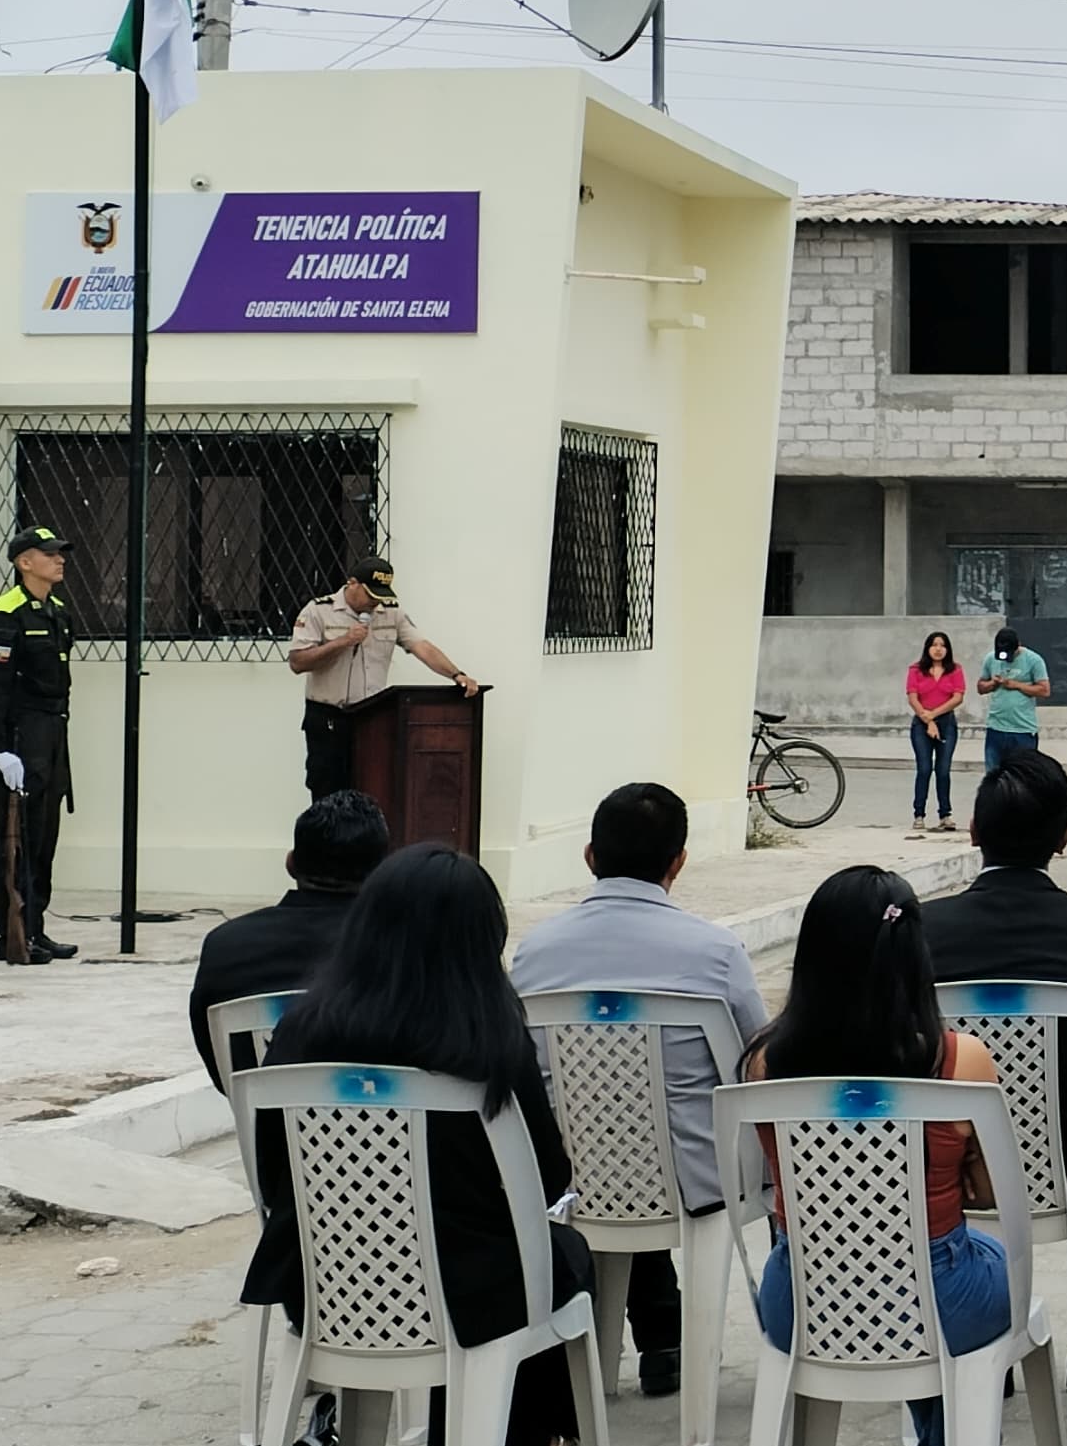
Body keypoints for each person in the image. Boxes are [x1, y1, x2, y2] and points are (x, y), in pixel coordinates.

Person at [248, 843, 594, 1446]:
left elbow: (273, 1174)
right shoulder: (489, 1041)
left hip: (326, 1286)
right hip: (466, 1297)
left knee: (501, 1261)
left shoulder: (300, 1033)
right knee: (558, 1256)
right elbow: (548, 1179)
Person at [741, 865, 1009, 1446]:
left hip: (802, 1297)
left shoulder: (764, 1062)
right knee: (969, 1263)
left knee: (908, 1273)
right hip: (937, 1296)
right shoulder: (960, 1059)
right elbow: (989, 1191)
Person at [511, 781, 771, 1395]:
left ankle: (649, 1337)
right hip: (697, 1180)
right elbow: (757, 1059)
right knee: (666, 1131)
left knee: (617, 1131)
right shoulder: (715, 952)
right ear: (679, 861)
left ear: (589, 856)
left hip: (571, 1173)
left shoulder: (534, 953)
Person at [922, 746, 1067, 1369]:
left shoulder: (922, 931)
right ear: (1063, 838)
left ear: (973, 832)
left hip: (958, 1167)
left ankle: (976, 1333)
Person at [187, 788, 391, 1091]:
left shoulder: (225, 945)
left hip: (264, 1117)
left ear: (290, 863)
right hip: (392, 1115)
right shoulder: (409, 947)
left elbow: (220, 1067)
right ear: (384, 872)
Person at [0, 526, 80, 962]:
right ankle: (11, 930)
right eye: (49, 554)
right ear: (24, 562)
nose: (60, 560)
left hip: (52, 731)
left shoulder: (57, 611)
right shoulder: (6, 613)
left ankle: (35, 925)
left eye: (60, 554)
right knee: (16, 838)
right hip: (20, 734)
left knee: (44, 837)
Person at [286, 557, 479, 799]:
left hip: (372, 717)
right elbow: (298, 662)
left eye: (380, 595)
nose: (375, 601)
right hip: (329, 719)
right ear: (352, 583)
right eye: (370, 594)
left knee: (373, 789)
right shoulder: (319, 611)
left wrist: (456, 674)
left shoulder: (391, 613)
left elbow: (422, 647)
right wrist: (343, 642)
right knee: (328, 793)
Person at [902, 630, 966, 829]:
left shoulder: (955, 669)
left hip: (946, 723)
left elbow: (957, 698)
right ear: (927, 648)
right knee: (924, 768)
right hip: (921, 724)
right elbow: (912, 697)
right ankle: (919, 814)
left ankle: (945, 815)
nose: (938, 649)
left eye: (942, 645)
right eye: (934, 645)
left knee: (943, 770)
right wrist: (928, 720)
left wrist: (934, 715)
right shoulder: (915, 669)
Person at [976, 622, 1050, 774]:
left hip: (1022, 730)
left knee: (1024, 776)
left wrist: (1016, 685)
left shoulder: (1033, 660)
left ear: (1018, 646)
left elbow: (1044, 690)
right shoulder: (991, 659)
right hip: (996, 728)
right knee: (993, 775)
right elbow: (981, 687)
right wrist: (993, 683)